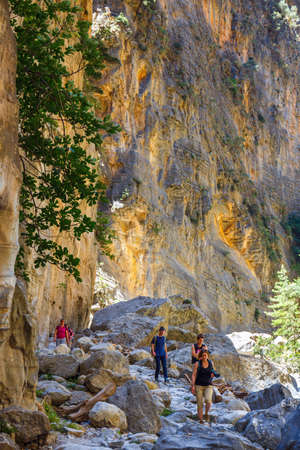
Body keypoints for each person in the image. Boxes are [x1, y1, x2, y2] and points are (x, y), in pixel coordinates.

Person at [191, 349, 219, 423]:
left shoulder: (211, 363)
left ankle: (206, 413)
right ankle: (201, 420)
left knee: (208, 401)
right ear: (201, 356)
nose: (204, 357)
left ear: (207, 356)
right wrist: (193, 386)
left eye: (205, 355)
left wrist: (213, 375)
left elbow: (213, 371)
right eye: (202, 355)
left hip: (208, 385)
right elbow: (193, 375)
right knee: (200, 403)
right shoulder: (198, 363)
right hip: (199, 386)